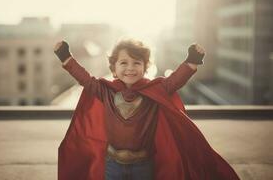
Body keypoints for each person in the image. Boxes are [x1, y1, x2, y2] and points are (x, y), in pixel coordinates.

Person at [54, 39, 240, 180]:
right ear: (114, 68)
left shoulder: (155, 91)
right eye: (124, 63)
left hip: (143, 165)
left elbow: (175, 80)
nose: (130, 68)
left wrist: (192, 61)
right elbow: (85, 79)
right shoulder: (105, 92)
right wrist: (66, 57)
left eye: (137, 63)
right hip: (112, 165)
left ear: (145, 67)